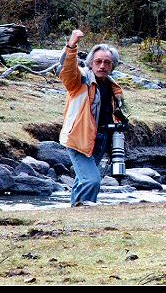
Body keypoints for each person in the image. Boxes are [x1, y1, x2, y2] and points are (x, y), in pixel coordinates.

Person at [59, 29, 125, 206]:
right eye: (98, 61)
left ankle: (75, 214)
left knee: (83, 180)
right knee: (91, 180)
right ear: (91, 63)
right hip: (79, 137)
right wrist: (72, 45)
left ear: (113, 66)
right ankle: (86, 211)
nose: (102, 65)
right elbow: (66, 70)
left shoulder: (112, 87)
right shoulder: (79, 81)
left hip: (101, 139)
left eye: (107, 62)